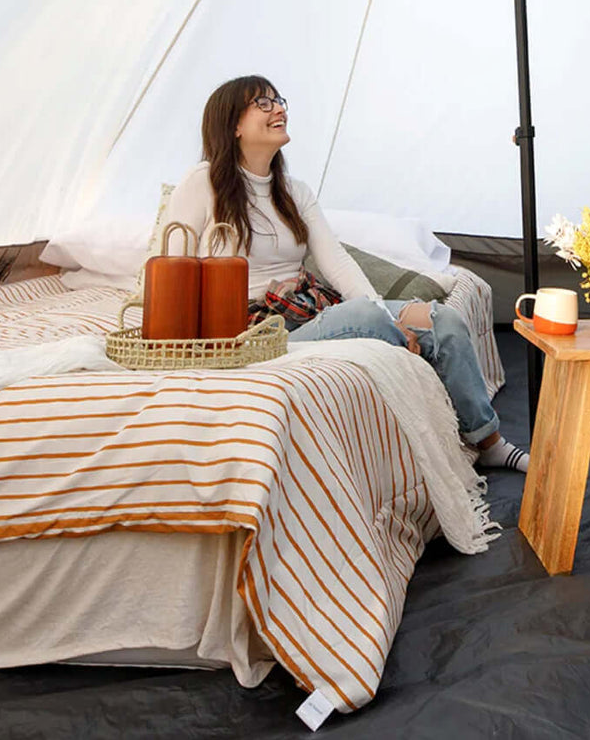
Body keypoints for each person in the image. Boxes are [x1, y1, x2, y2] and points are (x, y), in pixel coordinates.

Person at [166, 75, 529, 473]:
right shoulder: (204, 182)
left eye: (279, 100)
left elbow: (336, 262)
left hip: (306, 310)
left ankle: (487, 439)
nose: (279, 109)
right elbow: (172, 262)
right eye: (263, 104)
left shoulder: (293, 191)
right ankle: (398, 341)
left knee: (443, 320)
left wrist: (387, 316)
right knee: (367, 317)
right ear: (233, 125)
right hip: (255, 329)